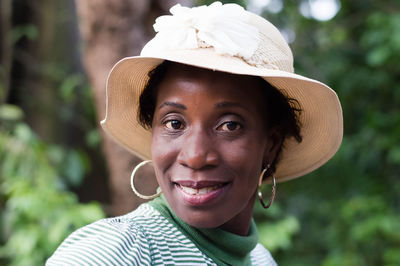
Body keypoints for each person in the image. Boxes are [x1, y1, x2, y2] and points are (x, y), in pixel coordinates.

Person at [47, 2, 342, 265]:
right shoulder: (116, 251)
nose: (196, 155)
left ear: (271, 145)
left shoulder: (261, 259)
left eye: (229, 125)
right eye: (174, 123)